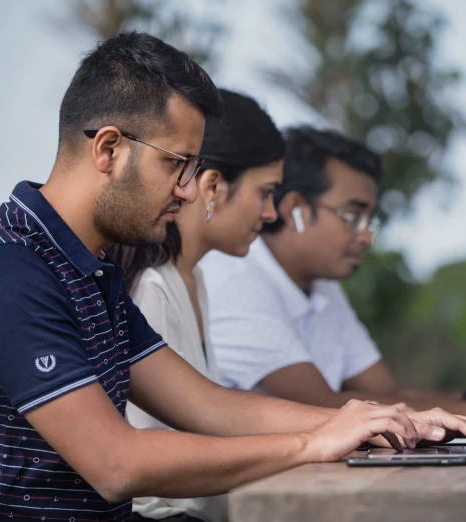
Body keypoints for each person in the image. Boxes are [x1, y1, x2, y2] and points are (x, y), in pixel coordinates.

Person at [0, 32, 466, 522]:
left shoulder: (90, 272)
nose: (190, 190)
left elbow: (206, 405)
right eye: (178, 164)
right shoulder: (7, 268)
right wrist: (309, 444)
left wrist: (374, 421)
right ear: (109, 150)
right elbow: (116, 463)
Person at [200, 126, 466, 427]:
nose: (367, 237)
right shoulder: (236, 277)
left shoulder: (322, 285)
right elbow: (320, 403)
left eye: (370, 220)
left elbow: (385, 391)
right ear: (295, 210)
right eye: (352, 216)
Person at [106, 88, 285, 522]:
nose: (272, 213)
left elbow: (212, 413)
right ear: (213, 187)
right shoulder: (152, 288)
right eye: (265, 193)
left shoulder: (194, 278)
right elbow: (150, 477)